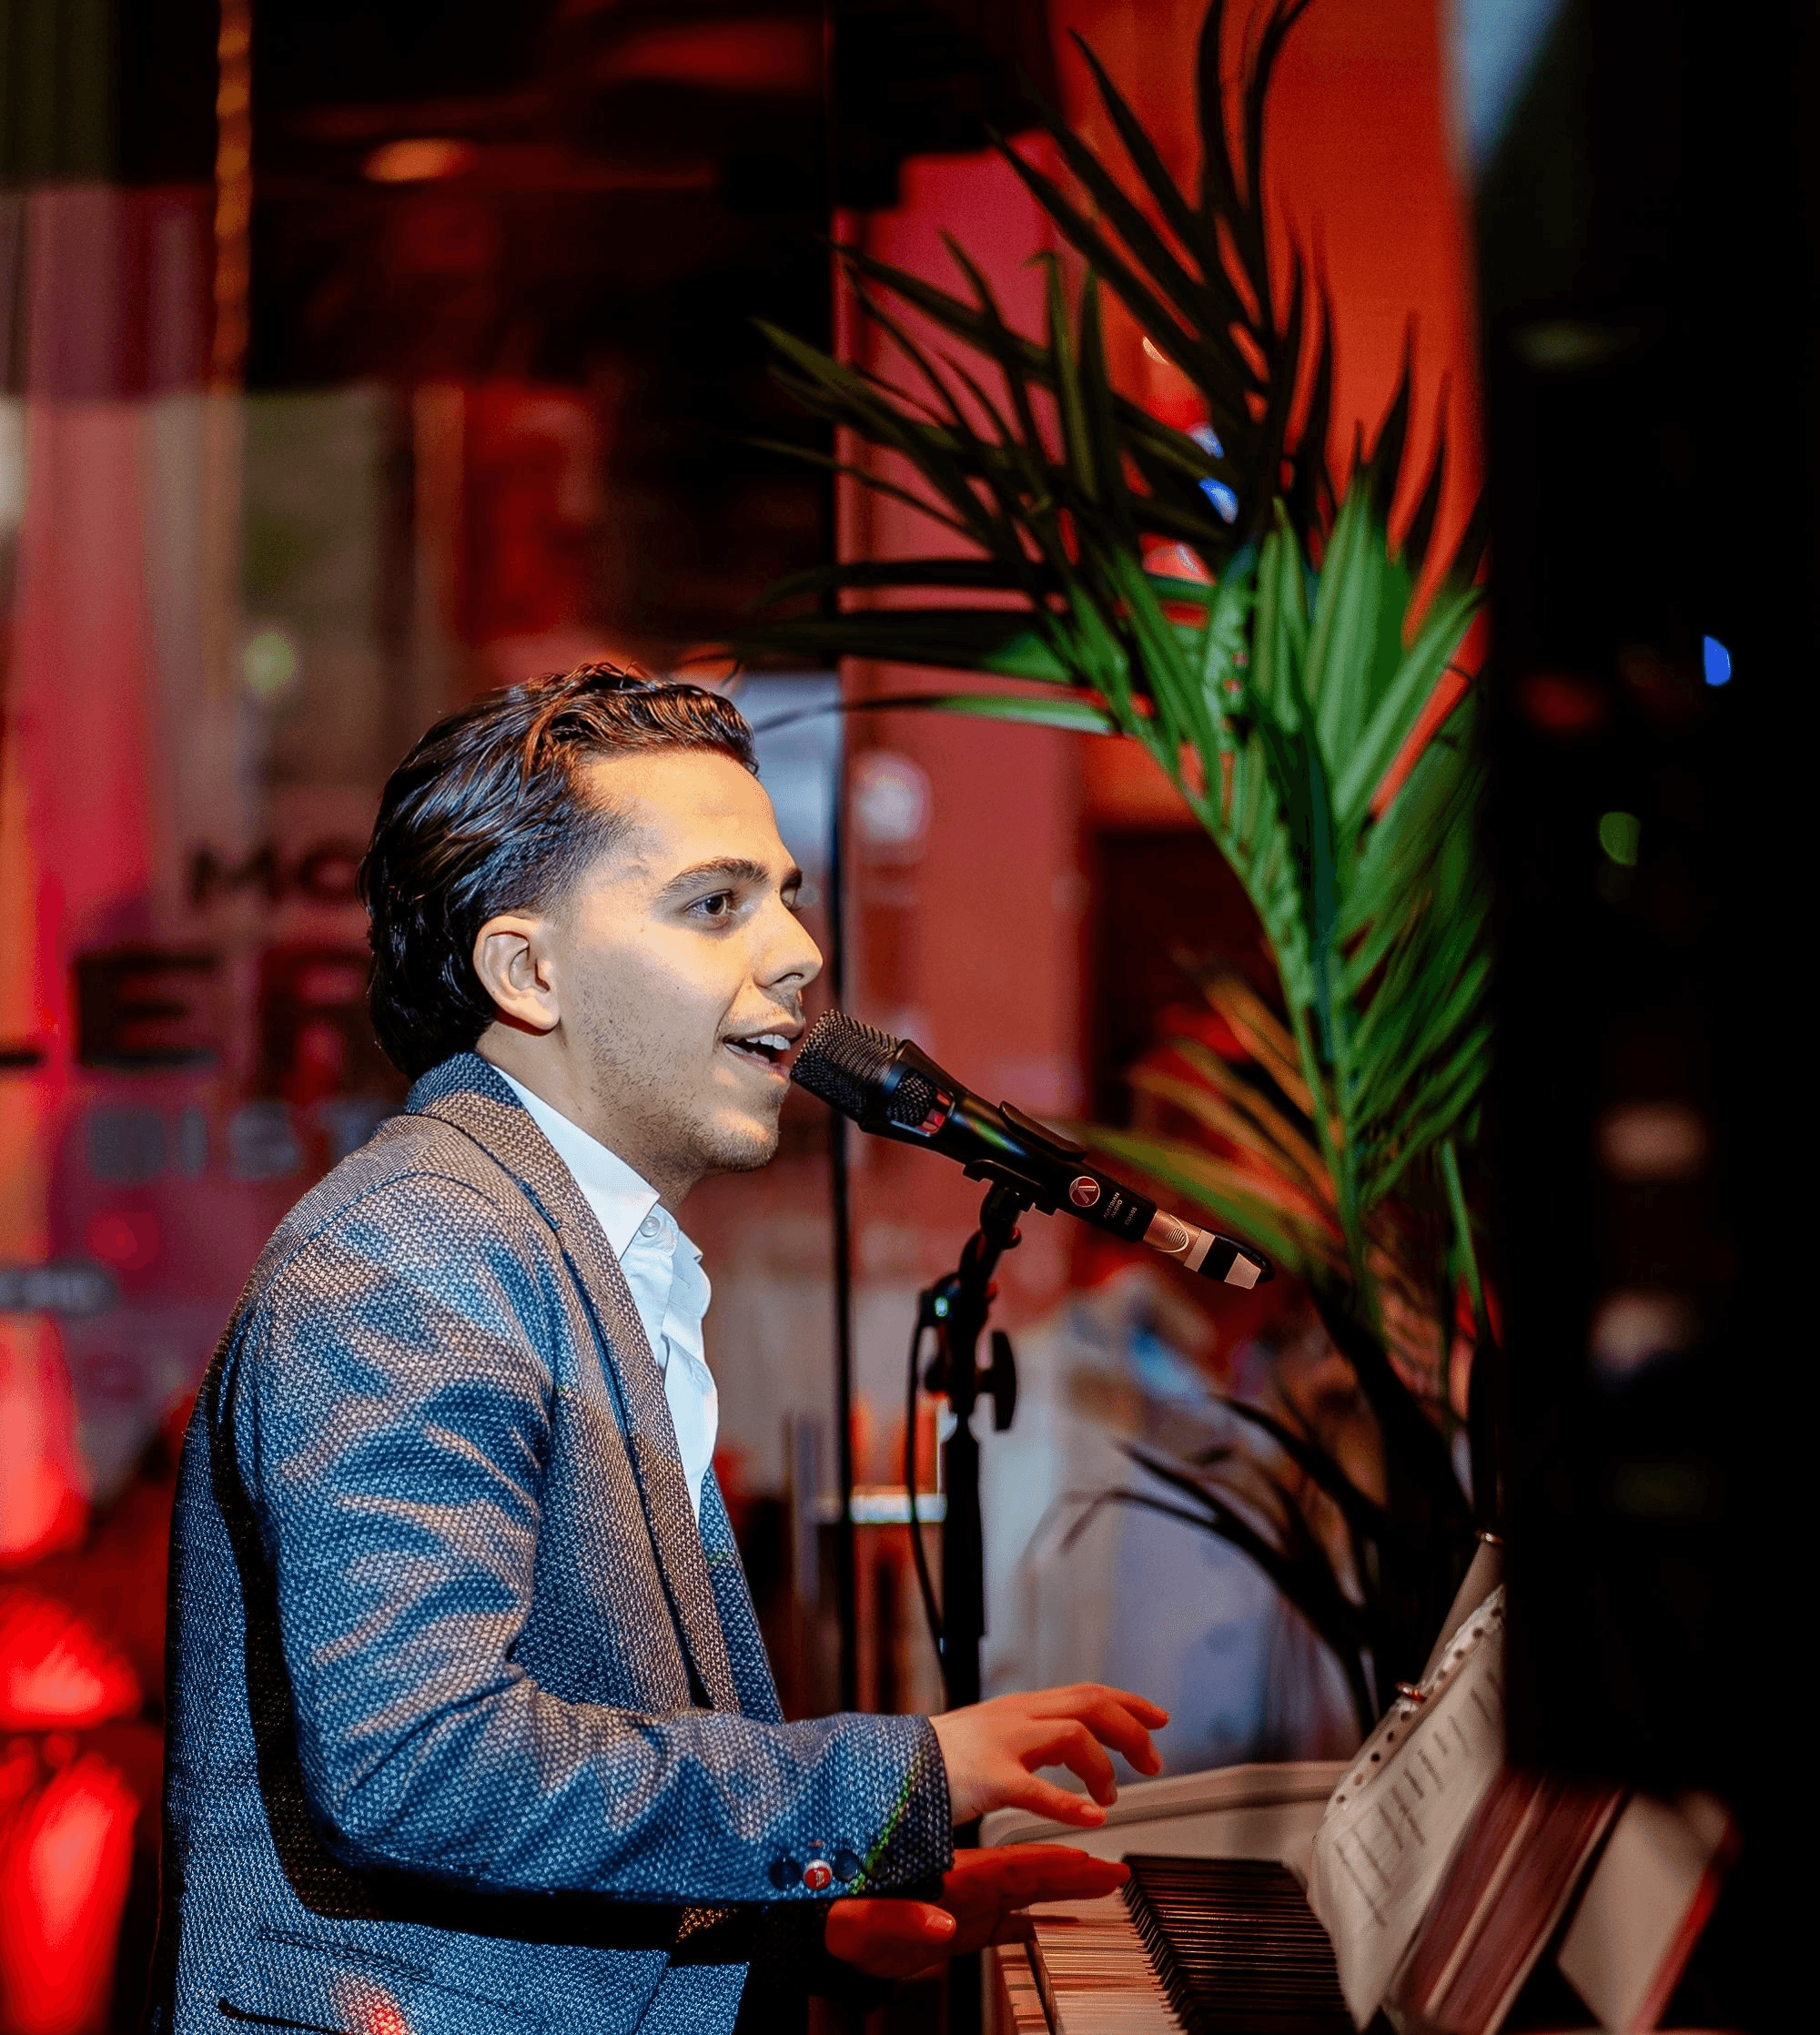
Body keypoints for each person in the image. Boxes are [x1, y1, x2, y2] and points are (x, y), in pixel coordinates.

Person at [147, 665, 1168, 2035]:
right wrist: (897, 1780)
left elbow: (556, 1756)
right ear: (528, 972)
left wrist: (812, 1930)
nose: (801, 951)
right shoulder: (419, 1251)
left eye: (786, 893)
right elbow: (420, 1764)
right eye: (716, 903)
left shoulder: (563, 1242)